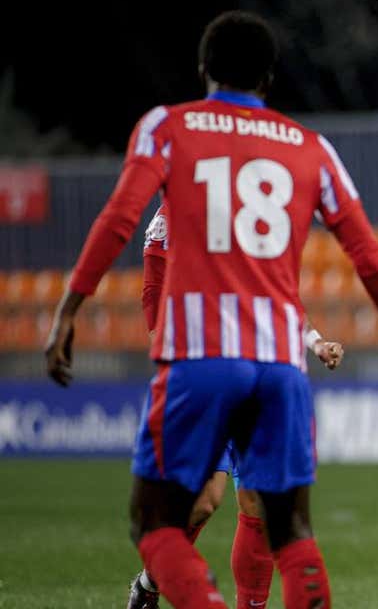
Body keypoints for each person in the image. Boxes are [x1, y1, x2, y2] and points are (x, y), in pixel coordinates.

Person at [44, 10, 378, 609]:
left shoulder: (167, 131)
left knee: (156, 522)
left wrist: (71, 307)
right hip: (277, 370)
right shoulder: (310, 147)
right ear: (269, 79)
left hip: (204, 362)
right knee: (290, 529)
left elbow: (119, 218)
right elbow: (369, 255)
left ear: (204, 71)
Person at [128, 202, 345, 609]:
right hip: (203, 373)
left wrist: (315, 342)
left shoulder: (253, 207)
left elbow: (277, 293)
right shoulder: (174, 210)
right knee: (204, 501)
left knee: (257, 505)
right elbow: (154, 287)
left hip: (260, 372)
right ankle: (148, 584)